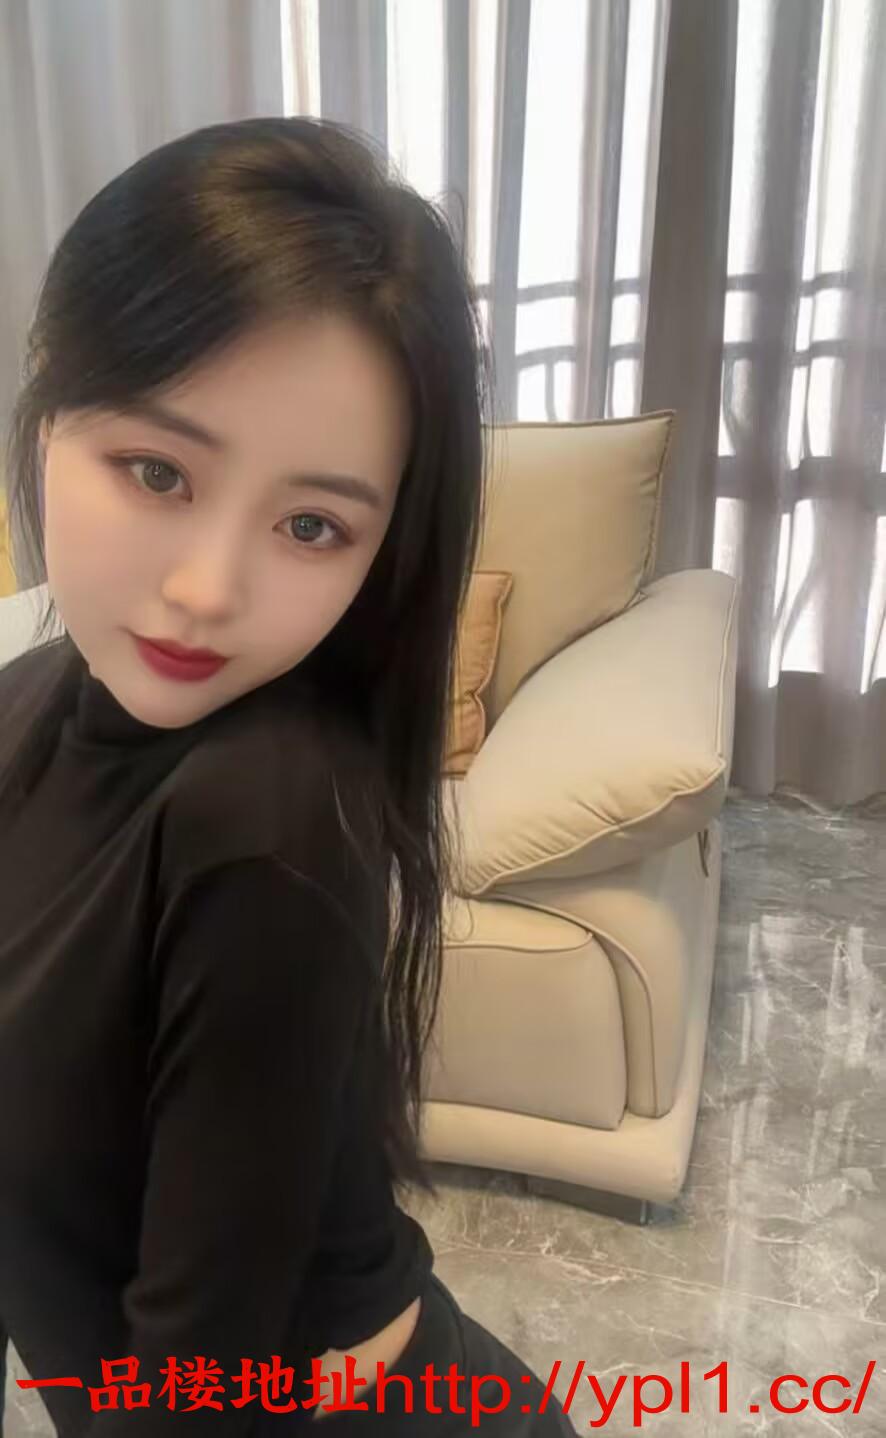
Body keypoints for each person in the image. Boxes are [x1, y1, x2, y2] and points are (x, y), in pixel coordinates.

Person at [0, 117, 575, 1436]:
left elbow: (190, 1390)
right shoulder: (27, 704)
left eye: (311, 525)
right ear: (47, 399)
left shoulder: (268, 814)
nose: (209, 590)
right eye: (156, 470)